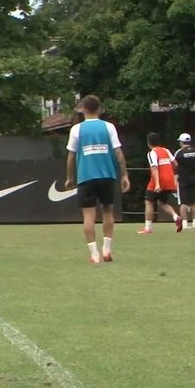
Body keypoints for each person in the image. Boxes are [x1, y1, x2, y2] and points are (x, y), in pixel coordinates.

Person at [65, 95, 131, 264]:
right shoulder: (109, 127)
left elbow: (71, 156)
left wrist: (69, 177)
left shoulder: (76, 129)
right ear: (100, 109)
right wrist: (124, 175)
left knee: (88, 215)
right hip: (107, 175)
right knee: (108, 211)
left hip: (86, 177)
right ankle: (107, 250)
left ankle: (94, 254)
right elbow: (118, 153)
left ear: (83, 109)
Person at [140, 132, 184, 234]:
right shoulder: (166, 150)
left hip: (159, 180)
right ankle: (175, 216)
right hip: (169, 180)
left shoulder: (152, 153)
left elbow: (154, 167)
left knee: (149, 202)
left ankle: (148, 228)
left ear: (148, 143)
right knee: (162, 203)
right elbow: (175, 164)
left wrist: (157, 184)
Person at [174, 132, 195, 229]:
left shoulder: (179, 153)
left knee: (183, 203)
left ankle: (184, 224)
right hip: (193, 177)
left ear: (181, 142)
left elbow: (174, 164)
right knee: (194, 202)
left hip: (183, 179)